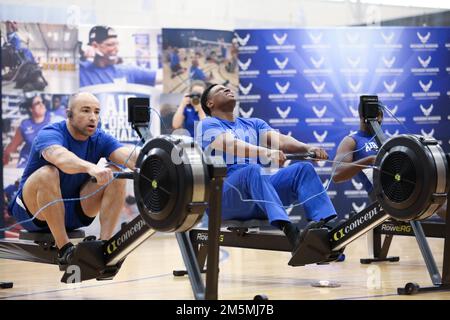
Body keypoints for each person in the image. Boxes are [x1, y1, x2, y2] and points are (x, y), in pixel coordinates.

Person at [196, 84, 337, 255]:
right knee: (253, 170)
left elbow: (282, 141)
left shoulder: (253, 123)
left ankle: (326, 228)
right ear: (210, 103)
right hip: (224, 198)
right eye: (220, 90)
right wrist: (265, 152)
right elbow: (230, 144)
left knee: (303, 170)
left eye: (228, 87)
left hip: (257, 192)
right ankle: (289, 231)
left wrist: (308, 149)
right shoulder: (207, 124)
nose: (227, 89)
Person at [7, 92, 139, 269]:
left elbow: (130, 158)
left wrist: (156, 163)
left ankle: (104, 247)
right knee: (48, 172)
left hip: (73, 212)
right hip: (34, 211)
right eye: (85, 110)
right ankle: (64, 250)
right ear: (69, 113)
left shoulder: (100, 137)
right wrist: (90, 167)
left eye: (96, 112)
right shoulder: (49, 133)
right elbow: (60, 158)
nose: (93, 117)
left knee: (116, 173)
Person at [79, 25, 158, 87]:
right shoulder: (82, 71)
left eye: (117, 44)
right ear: (95, 46)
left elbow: (160, 77)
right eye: (110, 45)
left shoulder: (126, 71)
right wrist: (80, 52)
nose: (116, 49)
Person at [331, 104, 383, 195]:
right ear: (361, 115)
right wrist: (368, 160)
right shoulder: (351, 140)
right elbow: (336, 175)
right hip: (381, 197)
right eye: (375, 115)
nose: (378, 119)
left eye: (380, 115)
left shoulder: (387, 139)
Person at [3, 94, 52, 168]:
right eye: (37, 103)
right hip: (27, 162)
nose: (42, 104)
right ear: (31, 108)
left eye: (43, 102)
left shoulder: (53, 120)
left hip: (47, 163)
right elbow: (13, 146)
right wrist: (5, 155)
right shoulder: (25, 125)